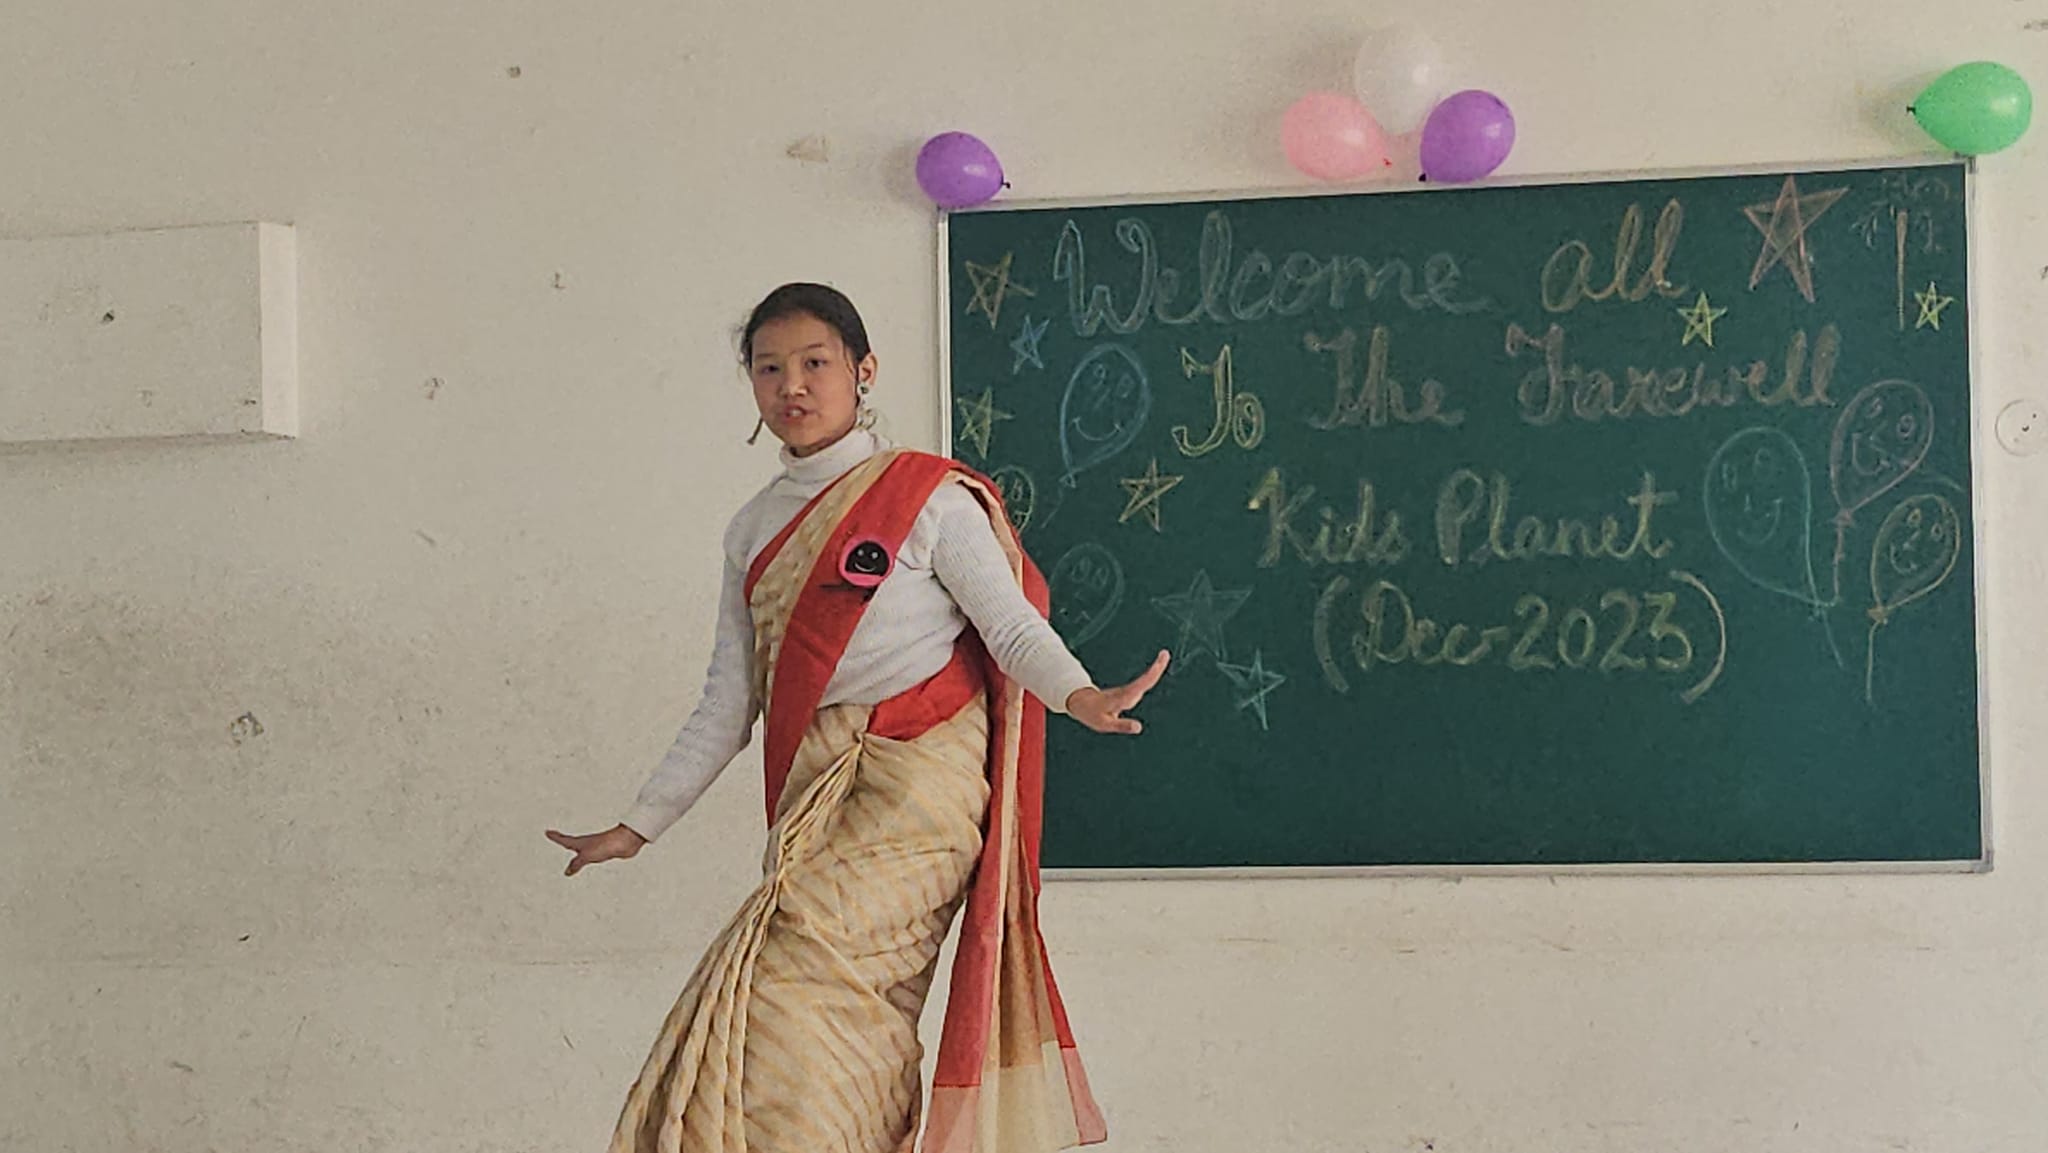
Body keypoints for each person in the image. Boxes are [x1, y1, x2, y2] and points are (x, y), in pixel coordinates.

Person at [545, 282, 1168, 1153]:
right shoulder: (751, 528)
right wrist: (638, 825)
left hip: (921, 789)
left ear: (862, 370)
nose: (791, 385)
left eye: (814, 363)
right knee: (799, 1007)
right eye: (768, 368)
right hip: (820, 794)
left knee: (808, 982)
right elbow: (731, 702)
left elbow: (1012, 626)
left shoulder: (927, 499)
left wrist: (1079, 694)